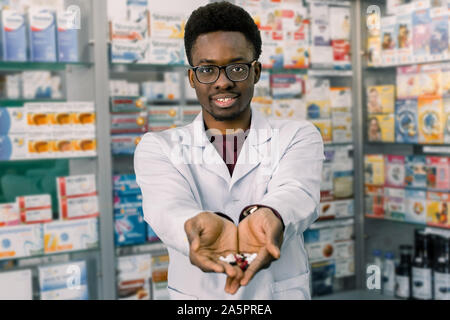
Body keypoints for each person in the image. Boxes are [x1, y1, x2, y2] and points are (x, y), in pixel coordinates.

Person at [134, 1, 324, 300]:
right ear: (192, 78)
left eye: (236, 67)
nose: (223, 82)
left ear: (256, 71)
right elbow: (166, 207)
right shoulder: (157, 147)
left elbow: (297, 191)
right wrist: (193, 225)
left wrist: (272, 215)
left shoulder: (297, 135)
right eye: (208, 69)